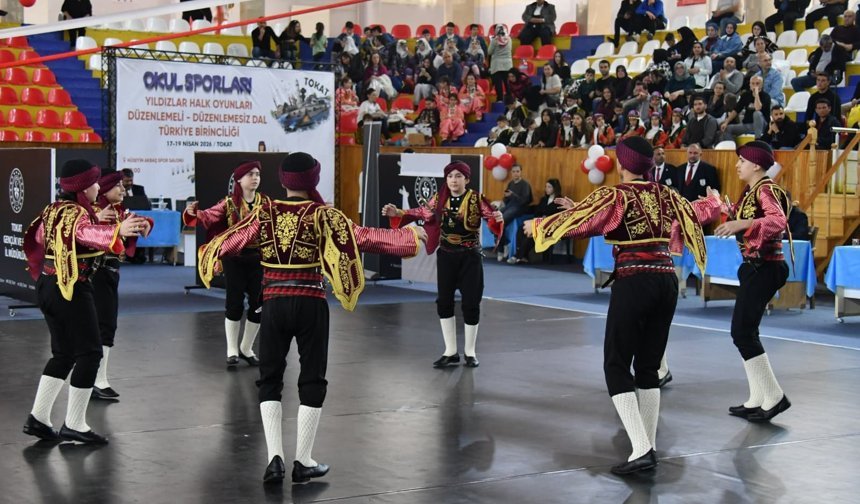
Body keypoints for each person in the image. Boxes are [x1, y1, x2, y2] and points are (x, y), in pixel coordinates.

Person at [199, 152, 425, 484]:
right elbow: (363, 237)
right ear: (313, 180)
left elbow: (231, 241)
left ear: (284, 180)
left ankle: (274, 458)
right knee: (312, 378)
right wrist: (409, 237)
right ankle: (302, 460)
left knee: (270, 379)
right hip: (310, 303)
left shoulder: (265, 211)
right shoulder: (324, 214)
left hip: (273, 302)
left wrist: (211, 256)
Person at [526, 136, 718, 475]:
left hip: (635, 281)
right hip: (666, 280)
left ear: (623, 163)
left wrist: (540, 226)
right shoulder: (667, 194)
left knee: (616, 364)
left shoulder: (615, 194)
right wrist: (717, 203)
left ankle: (642, 448)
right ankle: (647, 446)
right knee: (649, 366)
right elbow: (695, 213)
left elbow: (587, 222)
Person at [22, 159, 147, 444]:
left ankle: (38, 418)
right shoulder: (75, 213)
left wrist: (99, 225)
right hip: (72, 288)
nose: (96, 187)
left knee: (63, 354)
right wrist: (114, 231)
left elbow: (47, 237)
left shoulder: (54, 209)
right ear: (82, 187)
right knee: (90, 354)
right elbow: (83, 233)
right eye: (93, 183)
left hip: (49, 285)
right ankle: (75, 424)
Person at [382, 161, 503, 368]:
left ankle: (470, 352)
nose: (453, 180)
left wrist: (497, 218)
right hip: (447, 256)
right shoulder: (439, 199)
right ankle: (450, 351)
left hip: (470, 257)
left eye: (458, 176)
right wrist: (399, 213)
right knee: (444, 301)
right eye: (450, 176)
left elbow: (493, 217)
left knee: (471, 303)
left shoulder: (476, 198)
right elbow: (421, 212)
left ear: (466, 179)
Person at [714, 141, 792, 423]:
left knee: (742, 333)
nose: (737, 165)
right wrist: (720, 204)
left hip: (765, 267)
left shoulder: (767, 189)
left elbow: (777, 221)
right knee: (746, 332)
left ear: (756, 165)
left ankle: (774, 396)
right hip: (756, 267)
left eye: (742, 161)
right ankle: (757, 398)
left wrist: (742, 225)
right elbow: (739, 218)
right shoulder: (752, 191)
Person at [184, 161, 269, 368]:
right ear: (239, 179)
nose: (255, 178)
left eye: (257, 174)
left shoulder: (266, 203)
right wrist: (194, 212)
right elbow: (208, 216)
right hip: (235, 259)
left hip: (258, 259)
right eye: (250, 174)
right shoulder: (229, 203)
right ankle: (232, 350)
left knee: (259, 305)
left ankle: (246, 348)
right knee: (234, 303)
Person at [90, 170, 154, 401]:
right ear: (105, 188)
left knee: (106, 326)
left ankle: (97, 378)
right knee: (103, 326)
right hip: (96, 274)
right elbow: (93, 235)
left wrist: (144, 223)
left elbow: (137, 219)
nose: (124, 191)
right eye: (119, 186)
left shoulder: (117, 210)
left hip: (109, 274)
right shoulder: (99, 212)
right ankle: (97, 380)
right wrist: (118, 230)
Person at [513, 178, 563, 263]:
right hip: (539, 222)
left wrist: (546, 217)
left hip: (550, 225)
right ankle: (522, 255)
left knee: (532, 235)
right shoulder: (544, 199)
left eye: (549, 187)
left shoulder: (560, 200)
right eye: (546, 186)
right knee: (522, 228)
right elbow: (537, 211)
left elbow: (559, 215)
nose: (546, 189)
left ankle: (518, 255)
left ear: (555, 188)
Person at [720, 75, 771, 141]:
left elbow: (757, 108)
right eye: (752, 83)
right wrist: (726, 122)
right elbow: (736, 110)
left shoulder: (766, 96)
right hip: (748, 125)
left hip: (762, 126)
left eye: (757, 83)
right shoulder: (745, 95)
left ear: (762, 85)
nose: (755, 85)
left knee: (757, 113)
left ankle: (758, 140)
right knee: (728, 129)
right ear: (749, 85)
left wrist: (756, 95)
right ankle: (732, 148)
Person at [488, 25, 513, 100]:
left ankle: (500, 99)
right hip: (508, 64)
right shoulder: (509, 39)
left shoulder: (494, 40)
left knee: (498, 84)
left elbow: (489, 52)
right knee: (507, 83)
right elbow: (510, 49)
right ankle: (510, 99)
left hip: (497, 65)